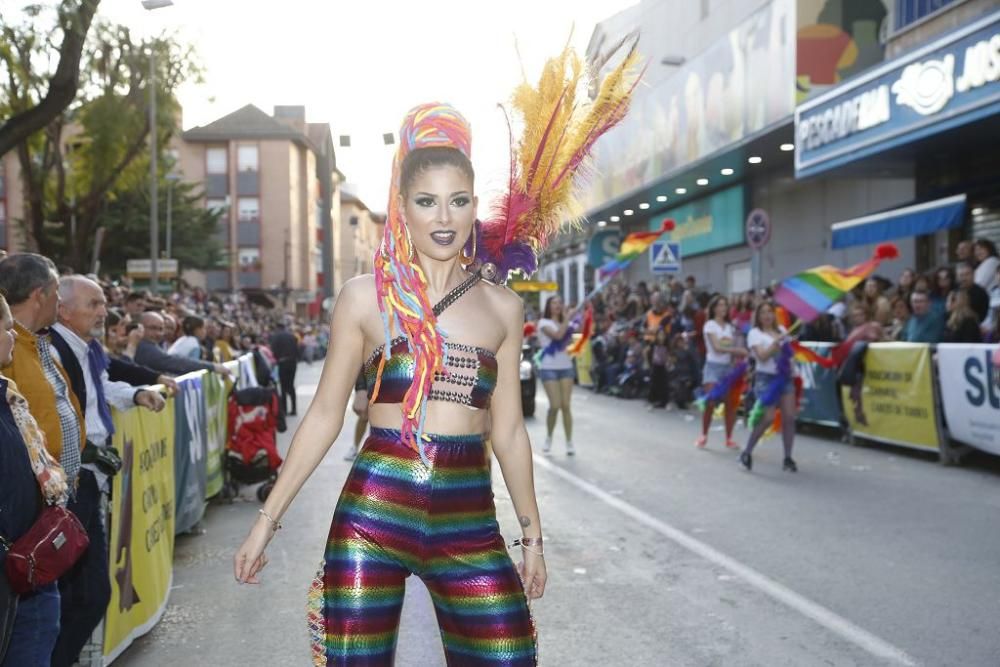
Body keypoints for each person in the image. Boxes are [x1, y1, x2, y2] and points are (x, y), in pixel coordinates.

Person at [233, 103, 545, 665]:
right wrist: (266, 522)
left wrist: (532, 538)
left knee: (509, 655)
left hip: (469, 519)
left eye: (458, 200)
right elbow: (326, 415)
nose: (443, 217)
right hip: (373, 513)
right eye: (426, 201)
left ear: (476, 206)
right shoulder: (365, 297)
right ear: (402, 208)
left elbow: (511, 434)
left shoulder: (504, 307)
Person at [47, 276, 165, 667]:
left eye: (102, 303)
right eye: (94, 304)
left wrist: (135, 393)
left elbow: (101, 389)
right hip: (72, 481)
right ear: (63, 309)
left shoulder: (87, 347)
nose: (103, 312)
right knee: (83, 594)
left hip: (88, 479)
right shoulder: (51, 350)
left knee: (88, 593)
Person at [0, 292, 69, 667]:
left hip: (25, 566)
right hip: (11, 567)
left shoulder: (7, 396)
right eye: (8, 328)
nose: (13, 336)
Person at [739, 302, 798, 472]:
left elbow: (789, 353)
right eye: (763, 312)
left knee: (789, 417)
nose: (767, 316)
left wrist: (792, 365)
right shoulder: (754, 333)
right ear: (757, 316)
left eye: (770, 312)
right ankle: (747, 452)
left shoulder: (781, 329)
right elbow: (762, 356)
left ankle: (788, 458)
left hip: (785, 378)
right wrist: (775, 344)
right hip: (765, 379)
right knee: (768, 417)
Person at [696, 295, 748, 449]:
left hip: (728, 368)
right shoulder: (710, 325)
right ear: (713, 308)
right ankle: (704, 434)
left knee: (730, 404)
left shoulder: (731, 327)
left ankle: (729, 438)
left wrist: (738, 358)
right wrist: (737, 350)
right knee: (710, 402)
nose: (723, 308)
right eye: (719, 305)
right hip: (713, 366)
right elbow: (717, 348)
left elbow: (735, 346)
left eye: (725, 305)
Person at [537, 295, 579, 454]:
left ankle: (569, 442)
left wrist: (577, 320)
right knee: (555, 405)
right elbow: (558, 336)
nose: (558, 305)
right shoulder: (543, 323)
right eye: (554, 303)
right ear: (548, 306)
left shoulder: (566, 322)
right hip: (549, 368)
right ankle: (549, 437)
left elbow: (569, 340)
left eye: (560, 303)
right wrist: (568, 319)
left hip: (566, 366)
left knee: (566, 406)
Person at [134, 312, 231, 378]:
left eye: (160, 329)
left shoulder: (153, 344)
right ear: (139, 328)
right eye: (152, 328)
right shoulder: (143, 346)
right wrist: (213, 367)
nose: (158, 333)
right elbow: (175, 363)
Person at [269, 321, 300, 417]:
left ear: (277, 328)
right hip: (292, 362)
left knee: (283, 386)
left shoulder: (276, 336)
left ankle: (285, 410)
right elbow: (297, 350)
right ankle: (294, 408)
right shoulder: (292, 336)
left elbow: (273, 350)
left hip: (283, 363)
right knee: (291, 385)